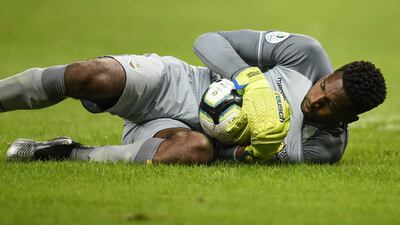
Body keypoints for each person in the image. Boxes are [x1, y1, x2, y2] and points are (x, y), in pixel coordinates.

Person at [1, 29, 386, 164]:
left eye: (329, 106)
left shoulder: (321, 150)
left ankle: (67, 152)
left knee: (195, 152)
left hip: (173, 133)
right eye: (322, 88)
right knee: (90, 75)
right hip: (176, 83)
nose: (316, 101)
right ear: (326, 76)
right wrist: (248, 80)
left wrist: (244, 154)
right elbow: (208, 41)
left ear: (348, 119)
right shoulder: (306, 55)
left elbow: (225, 157)